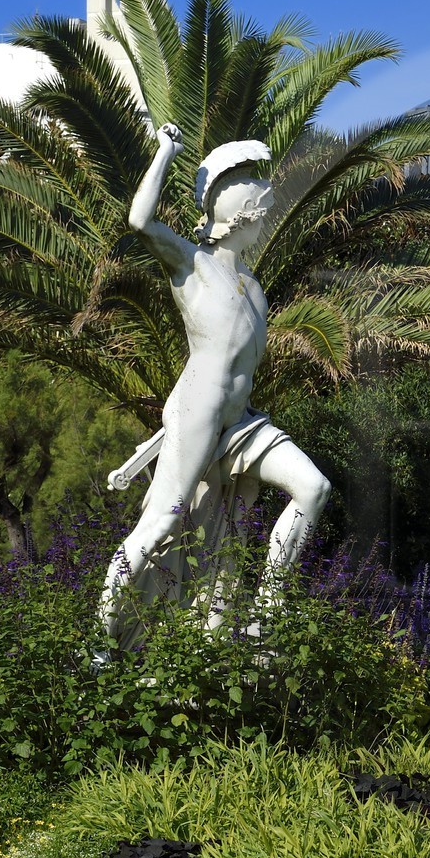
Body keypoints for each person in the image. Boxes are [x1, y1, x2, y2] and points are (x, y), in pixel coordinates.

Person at [99, 123, 330, 643]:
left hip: (242, 419)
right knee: (159, 526)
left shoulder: (254, 288)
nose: (267, 224)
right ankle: (103, 645)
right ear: (242, 218)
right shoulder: (194, 264)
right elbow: (140, 220)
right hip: (199, 411)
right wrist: (165, 152)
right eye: (263, 215)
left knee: (314, 489)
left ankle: (266, 615)